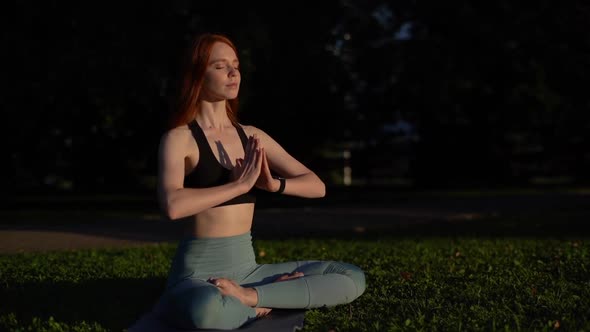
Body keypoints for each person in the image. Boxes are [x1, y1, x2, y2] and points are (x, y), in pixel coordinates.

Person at [153, 32, 366, 331]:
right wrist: (239, 186)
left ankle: (252, 298)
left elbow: (317, 185)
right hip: (199, 277)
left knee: (350, 277)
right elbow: (172, 205)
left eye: (236, 65)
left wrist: (273, 185)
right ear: (197, 74)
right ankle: (271, 301)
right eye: (220, 65)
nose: (233, 72)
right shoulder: (179, 139)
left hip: (249, 270)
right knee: (205, 311)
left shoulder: (252, 135)